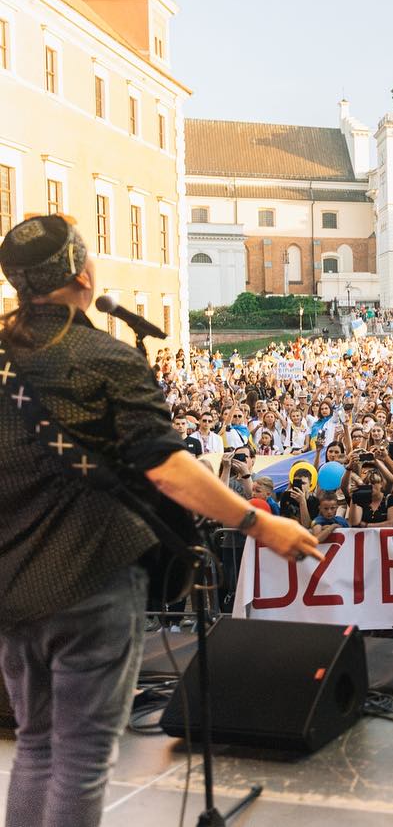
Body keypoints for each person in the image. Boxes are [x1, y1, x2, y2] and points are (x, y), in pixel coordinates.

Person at [0, 215, 320, 827]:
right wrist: (257, 524)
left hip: (12, 585)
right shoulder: (102, 356)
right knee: (81, 759)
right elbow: (168, 469)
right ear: (83, 275)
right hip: (90, 579)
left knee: (35, 745)